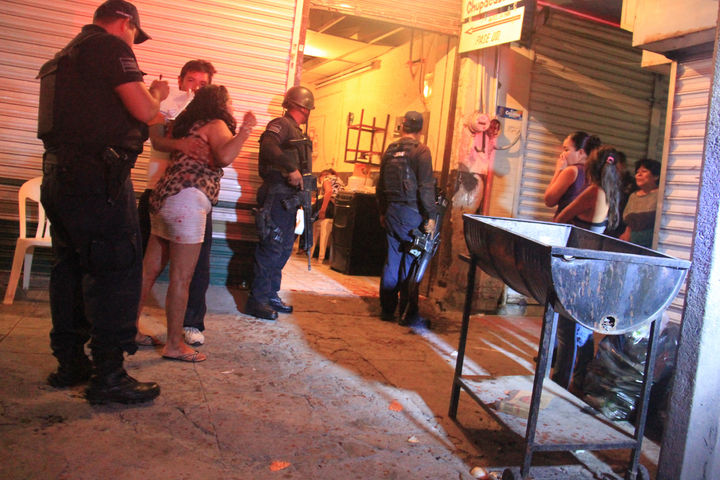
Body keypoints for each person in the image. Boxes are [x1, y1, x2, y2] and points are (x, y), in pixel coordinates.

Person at [37, 0, 167, 404]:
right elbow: (145, 110)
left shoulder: (63, 58)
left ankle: (70, 363)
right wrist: (157, 94)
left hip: (59, 176)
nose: (133, 42)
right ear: (126, 22)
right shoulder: (109, 47)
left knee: (69, 269)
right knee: (115, 270)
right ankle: (108, 377)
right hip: (98, 179)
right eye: (134, 35)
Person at [137, 85, 256, 362]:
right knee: (181, 278)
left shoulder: (186, 126)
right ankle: (174, 345)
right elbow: (225, 156)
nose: (232, 107)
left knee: (147, 272)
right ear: (219, 104)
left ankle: (129, 328)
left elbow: (157, 138)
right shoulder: (215, 124)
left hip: (164, 197)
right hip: (188, 201)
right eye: (230, 101)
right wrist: (245, 131)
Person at [137, 59, 217, 348]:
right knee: (144, 266)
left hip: (193, 197)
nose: (196, 88)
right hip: (156, 192)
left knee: (197, 269)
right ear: (181, 80)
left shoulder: (211, 115)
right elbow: (157, 140)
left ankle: (191, 324)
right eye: (191, 80)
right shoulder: (164, 104)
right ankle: (129, 323)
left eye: (203, 84)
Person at [553, 145, 624, 395]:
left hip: (577, 269)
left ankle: (559, 385)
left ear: (591, 168)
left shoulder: (593, 191)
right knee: (581, 330)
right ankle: (579, 381)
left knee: (567, 331)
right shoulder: (611, 193)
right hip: (593, 269)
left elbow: (560, 219)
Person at [245, 86, 315, 321]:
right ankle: (257, 300)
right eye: (307, 109)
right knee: (272, 247)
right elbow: (268, 146)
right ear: (302, 107)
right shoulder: (281, 124)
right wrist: (291, 168)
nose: (308, 113)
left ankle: (270, 294)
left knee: (284, 249)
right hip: (276, 195)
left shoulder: (296, 131)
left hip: (289, 199)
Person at [376, 111, 437, 326]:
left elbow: (380, 185)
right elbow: (426, 187)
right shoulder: (421, 151)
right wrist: (431, 215)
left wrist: (382, 211)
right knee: (412, 259)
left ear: (402, 127)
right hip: (412, 214)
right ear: (421, 129)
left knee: (392, 260)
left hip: (392, 211)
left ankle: (387, 310)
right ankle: (408, 313)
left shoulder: (390, 151)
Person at [544, 131, 601, 216]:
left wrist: (559, 170)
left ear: (580, 152)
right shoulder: (595, 173)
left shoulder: (572, 171)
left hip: (568, 222)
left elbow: (549, 201)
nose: (562, 154)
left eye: (566, 150)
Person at [620, 158, 661, 248]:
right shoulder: (633, 196)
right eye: (637, 172)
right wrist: (626, 234)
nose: (639, 175)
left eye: (644, 171)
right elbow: (629, 223)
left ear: (656, 176)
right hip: (632, 243)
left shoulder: (660, 195)